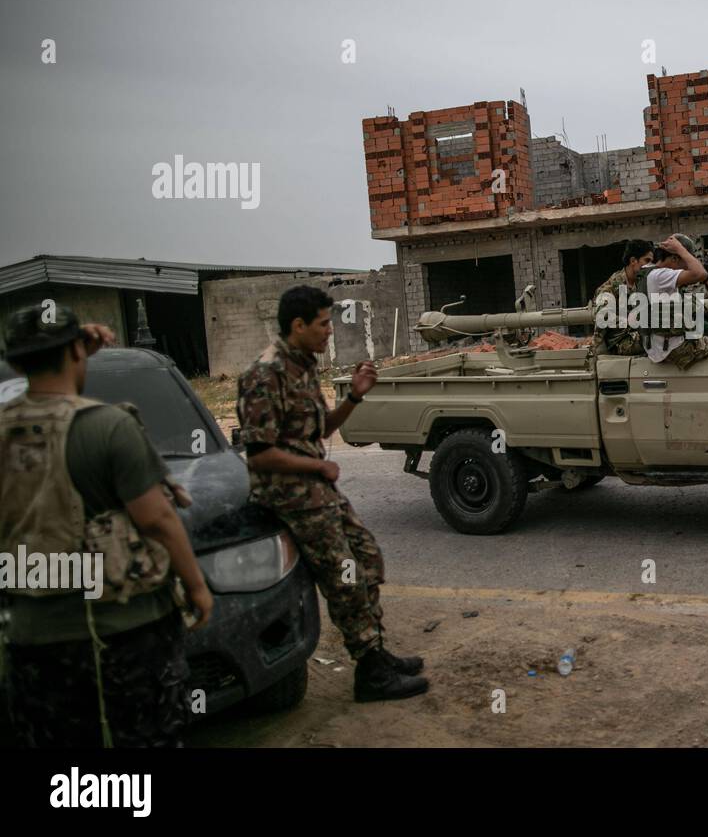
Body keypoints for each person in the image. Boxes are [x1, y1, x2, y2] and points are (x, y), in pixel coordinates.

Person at [0, 305, 212, 747]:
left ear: (15, 363)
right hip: (123, 629)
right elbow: (156, 518)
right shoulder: (107, 426)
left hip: (30, 632)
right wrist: (196, 586)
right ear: (78, 351)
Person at [236, 285, 427, 702]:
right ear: (298, 325)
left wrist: (355, 395)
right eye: (323, 324)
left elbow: (320, 429)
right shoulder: (264, 374)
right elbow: (260, 454)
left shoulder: (302, 366)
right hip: (291, 496)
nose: (329, 332)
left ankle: (375, 650)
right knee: (346, 576)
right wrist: (317, 465)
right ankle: (371, 672)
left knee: (367, 558)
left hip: (317, 490)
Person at [634, 235, 708, 370]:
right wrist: (680, 249)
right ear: (674, 258)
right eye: (684, 262)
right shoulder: (661, 275)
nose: (686, 268)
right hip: (676, 349)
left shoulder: (647, 271)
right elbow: (701, 273)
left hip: (656, 346)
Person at [590, 238, 654, 356]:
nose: (650, 265)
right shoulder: (610, 287)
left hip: (636, 336)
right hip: (619, 344)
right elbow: (603, 318)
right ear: (633, 260)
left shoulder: (640, 284)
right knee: (656, 337)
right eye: (647, 260)